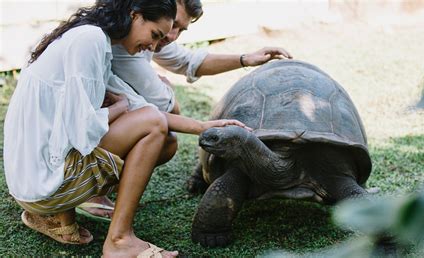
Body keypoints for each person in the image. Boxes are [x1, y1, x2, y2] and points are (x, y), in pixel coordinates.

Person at [3, 0, 248, 257]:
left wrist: (204, 127)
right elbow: (83, 130)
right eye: (154, 35)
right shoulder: (90, 41)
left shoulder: (94, 39)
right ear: (135, 15)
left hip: (33, 182)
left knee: (164, 138)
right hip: (42, 184)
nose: (152, 47)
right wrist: (118, 109)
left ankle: (55, 216)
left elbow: (139, 106)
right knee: (153, 126)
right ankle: (119, 240)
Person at [78, 0, 293, 221]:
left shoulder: (148, 33)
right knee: (160, 135)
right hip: (80, 133)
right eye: (174, 26)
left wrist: (246, 59)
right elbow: (164, 106)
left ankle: (96, 192)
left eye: (181, 29)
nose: (173, 36)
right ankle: (87, 193)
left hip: (97, 122)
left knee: (164, 135)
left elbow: (187, 61)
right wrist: (168, 90)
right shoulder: (120, 43)